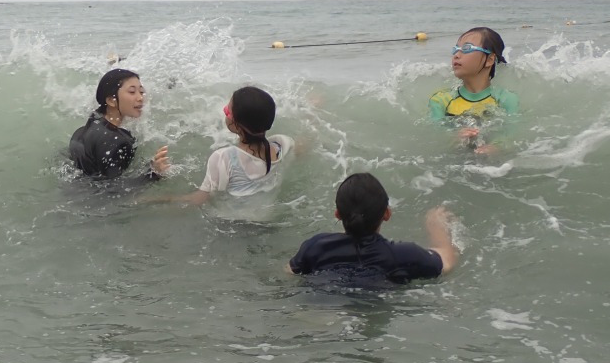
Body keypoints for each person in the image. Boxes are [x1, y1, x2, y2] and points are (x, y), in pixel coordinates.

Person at [288, 172, 458, 284]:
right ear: (387, 214)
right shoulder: (404, 255)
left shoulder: (316, 247)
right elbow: (447, 262)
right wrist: (437, 227)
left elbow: (290, 273)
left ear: (337, 214)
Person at [155, 85, 293, 206]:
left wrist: (155, 197)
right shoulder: (282, 145)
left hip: (232, 223)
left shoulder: (224, 158)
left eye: (227, 111)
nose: (225, 111)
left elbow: (197, 200)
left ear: (237, 125)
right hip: (266, 220)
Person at [68, 68, 170, 181]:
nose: (141, 98)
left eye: (141, 92)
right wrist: (154, 172)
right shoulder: (117, 142)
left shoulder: (83, 131)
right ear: (111, 100)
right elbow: (115, 189)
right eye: (132, 92)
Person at [429, 26, 517, 153]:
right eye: (455, 49)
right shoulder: (441, 100)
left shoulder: (506, 99)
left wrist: (496, 147)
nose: (456, 55)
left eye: (466, 48)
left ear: (490, 60)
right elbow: (435, 134)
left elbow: (512, 133)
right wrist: (454, 137)